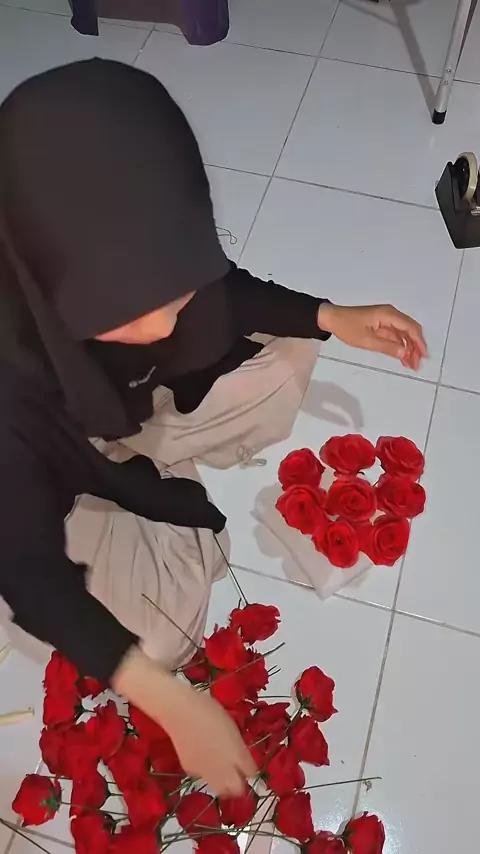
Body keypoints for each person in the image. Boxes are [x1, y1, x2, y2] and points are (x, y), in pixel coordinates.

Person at [0, 59, 427, 798]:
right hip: (40, 462)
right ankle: (119, 463)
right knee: (161, 636)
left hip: (111, 409)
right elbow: (26, 569)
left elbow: (219, 294)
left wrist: (332, 316)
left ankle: (133, 443)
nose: (168, 321)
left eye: (175, 285)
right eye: (131, 308)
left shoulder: (127, 268)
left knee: (290, 351)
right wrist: (168, 701)